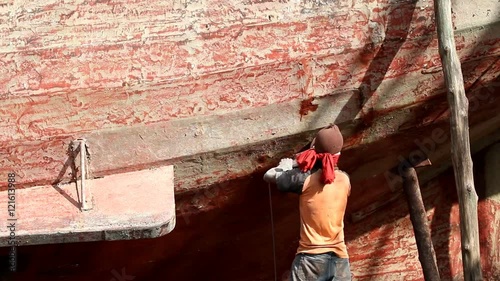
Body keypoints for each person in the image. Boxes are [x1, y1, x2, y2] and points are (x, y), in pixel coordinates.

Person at [263, 124, 352, 281]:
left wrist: (288, 165)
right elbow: (328, 173)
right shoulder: (345, 180)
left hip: (311, 260)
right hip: (340, 260)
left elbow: (268, 175)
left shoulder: (304, 180)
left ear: (314, 150)